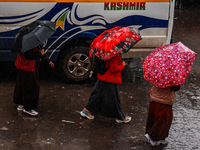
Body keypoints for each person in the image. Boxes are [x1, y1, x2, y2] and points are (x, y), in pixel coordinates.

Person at [80, 55, 131, 123]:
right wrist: (122, 65)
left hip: (103, 76)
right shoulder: (114, 54)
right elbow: (113, 69)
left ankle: (86, 110)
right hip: (110, 78)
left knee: (97, 95)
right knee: (115, 99)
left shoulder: (106, 52)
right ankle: (120, 117)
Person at [13, 46, 54, 116]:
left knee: (22, 85)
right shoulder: (29, 41)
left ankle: (22, 103)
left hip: (23, 65)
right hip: (28, 67)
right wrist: (40, 55)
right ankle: (28, 108)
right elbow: (28, 55)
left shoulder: (27, 39)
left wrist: (46, 59)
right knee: (31, 87)